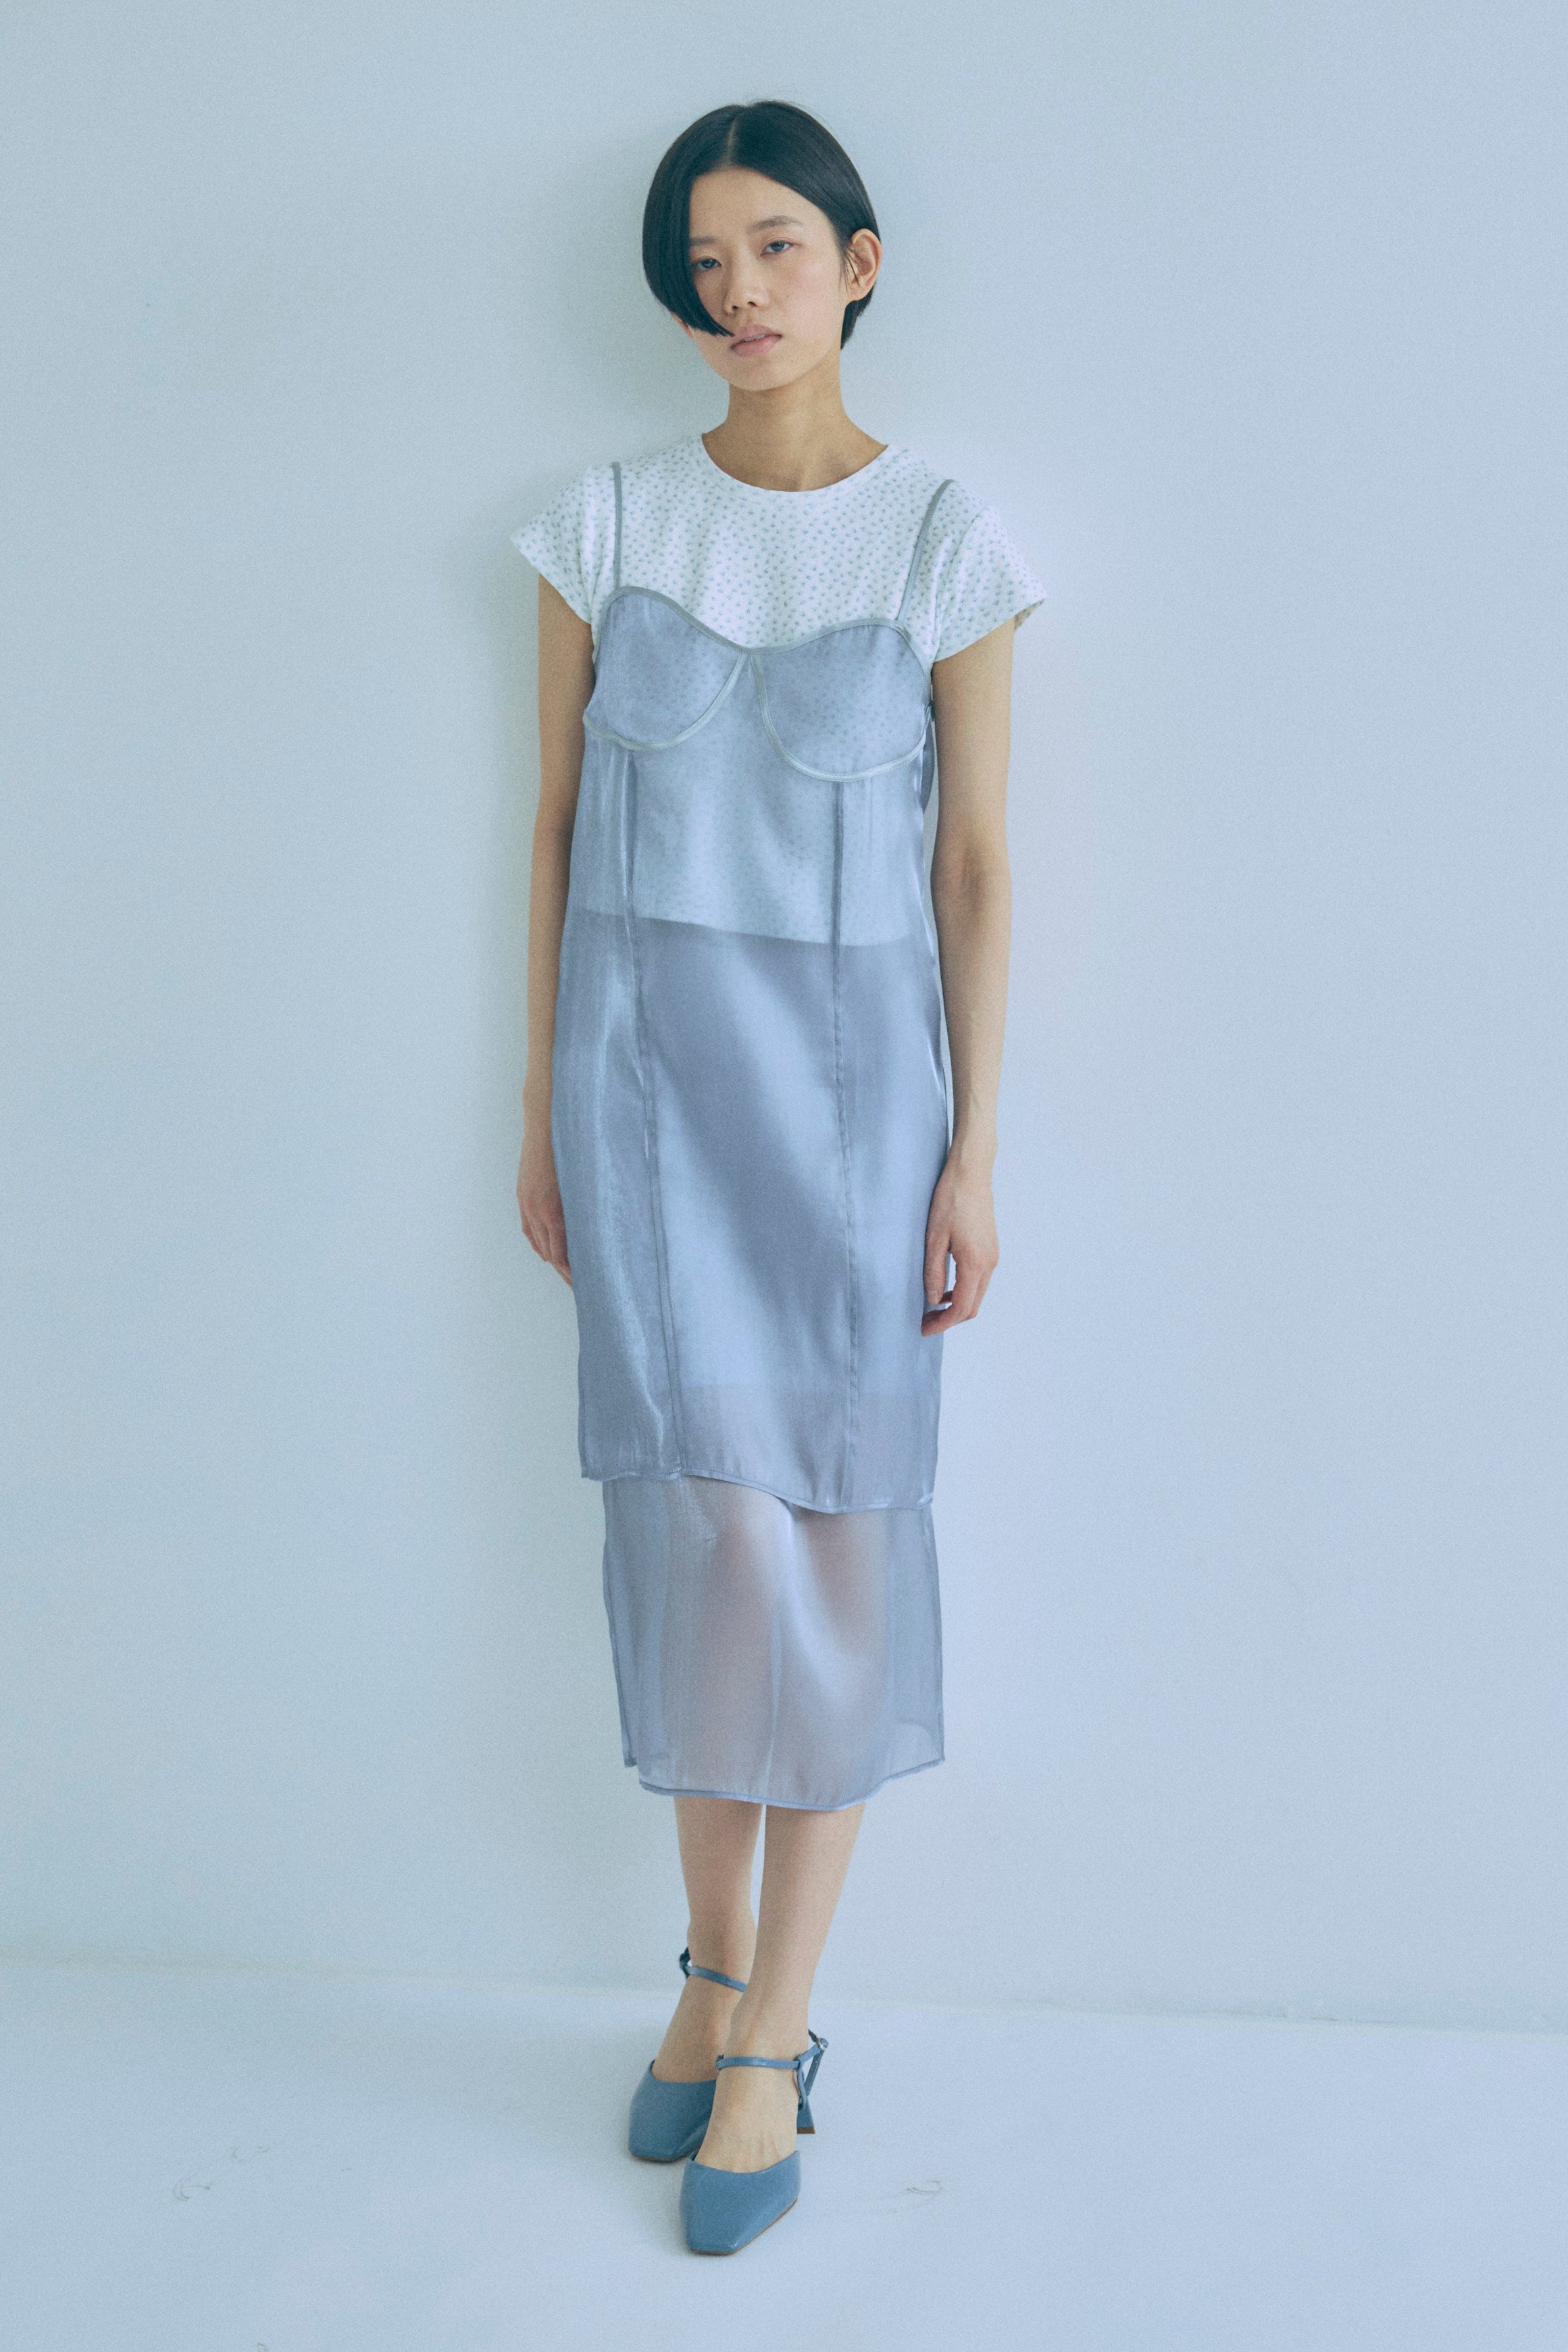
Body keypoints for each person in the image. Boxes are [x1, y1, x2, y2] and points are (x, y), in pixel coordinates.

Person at [510, 98, 1043, 2254]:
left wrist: (973, 1148)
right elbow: (552, 833)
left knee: (821, 1548)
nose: (738, 291)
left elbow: (973, 865)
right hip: (640, 1098)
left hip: (850, 1126)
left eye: (774, 248)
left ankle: (776, 2025)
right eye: (704, 261)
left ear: (858, 260)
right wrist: (536, 1112)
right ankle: (711, 1968)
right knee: (692, 1541)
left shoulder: (942, 541)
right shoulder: (602, 522)